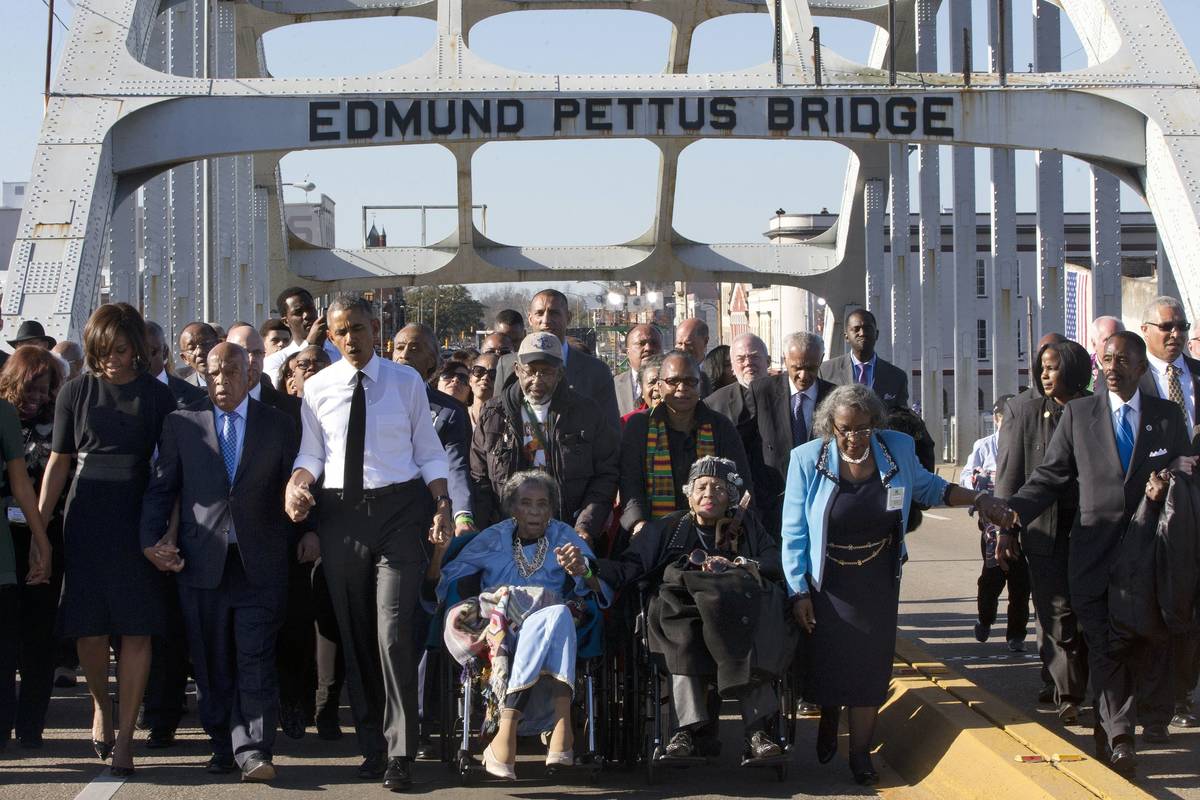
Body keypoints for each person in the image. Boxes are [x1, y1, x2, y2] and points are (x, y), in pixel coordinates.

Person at [781, 384, 1014, 785]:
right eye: (845, 430)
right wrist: (798, 590)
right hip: (827, 579)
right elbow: (794, 532)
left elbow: (931, 488)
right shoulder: (807, 459)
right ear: (830, 428)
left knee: (871, 667)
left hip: (876, 576)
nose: (854, 438)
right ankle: (829, 717)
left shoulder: (897, 449)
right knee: (831, 663)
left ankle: (859, 755)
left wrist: (978, 499)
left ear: (875, 423)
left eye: (863, 428)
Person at [1000, 331, 1195, 776]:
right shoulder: (1080, 414)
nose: (1112, 366)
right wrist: (1011, 511)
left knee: (1140, 644)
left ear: (1141, 368)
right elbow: (1049, 477)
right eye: (1106, 358)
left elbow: (1186, 471)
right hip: (1093, 553)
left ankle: (1115, 733)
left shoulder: (1166, 417)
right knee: (1105, 644)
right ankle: (1120, 735)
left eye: (1123, 359)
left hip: (1149, 557)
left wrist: (1170, 478)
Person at [285, 294, 452, 791]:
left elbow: (429, 451)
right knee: (356, 634)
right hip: (341, 517)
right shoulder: (316, 388)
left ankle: (402, 750)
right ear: (330, 336)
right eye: (342, 332)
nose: (351, 339)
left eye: (358, 328)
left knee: (393, 631)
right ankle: (373, 747)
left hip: (401, 512)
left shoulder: (405, 383)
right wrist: (296, 484)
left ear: (374, 328)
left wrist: (443, 504)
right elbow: (311, 454)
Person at [140, 343, 313, 781]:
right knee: (212, 659)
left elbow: (298, 478)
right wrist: (150, 540)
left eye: (230, 372)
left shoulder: (277, 425)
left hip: (261, 560)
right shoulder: (182, 423)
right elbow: (163, 488)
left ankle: (254, 749)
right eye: (213, 373)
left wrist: (310, 526)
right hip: (202, 562)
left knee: (254, 657)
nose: (221, 381)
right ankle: (222, 742)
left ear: (249, 373)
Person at [37, 303, 177, 776]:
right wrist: (40, 530)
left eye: (121, 349)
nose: (113, 359)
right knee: (90, 631)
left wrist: (167, 532)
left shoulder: (158, 398)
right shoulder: (74, 391)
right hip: (87, 514)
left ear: (138, 348)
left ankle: (127, 738)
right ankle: (101, 704)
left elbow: (172, 470)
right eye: (103, 350)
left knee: (138, 629)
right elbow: (58, 461)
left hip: (140, 516)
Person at [600, 456, 791, 762]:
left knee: (756, 629)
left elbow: (774, 562)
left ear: (731, 495)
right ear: (688, 494)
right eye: (701, 486)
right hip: (682, 612)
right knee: (680, 636)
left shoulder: (748, 527)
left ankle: (758, 731)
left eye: (718, 487)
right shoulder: (668, 527)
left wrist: (739, 562)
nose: (709, 493)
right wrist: (588, 567)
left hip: (737, 613)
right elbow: (631, 566)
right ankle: (684, 732)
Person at [432, 470, 610, 780]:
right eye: (526, 503)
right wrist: (439, 552)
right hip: (501, 625)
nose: (535, 511)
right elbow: (447, 581)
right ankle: (561, 730)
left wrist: (583, 570)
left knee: (555, 615)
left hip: (551, 625)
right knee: (551, 612)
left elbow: (598, 582)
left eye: (543, 504)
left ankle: (507, 731)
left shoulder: (565, 536)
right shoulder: (493, 537)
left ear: (552, 509)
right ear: (512, 508)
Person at [996, 338, 1091, 723]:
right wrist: (1004, 529)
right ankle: (1065, 690)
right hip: (1042, 526)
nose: (1045, 374)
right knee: (1054, 610)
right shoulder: (1026, 409)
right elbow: (1010, 474)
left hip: (1091, 526)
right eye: (1042, 367)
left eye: (1053, 367)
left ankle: (1072, 679)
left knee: (1086, 609)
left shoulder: (1095, 408)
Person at [471, 332, 619, 541]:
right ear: (517, 370)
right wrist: (488, 532)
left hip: (567, 534)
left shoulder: (587, 413)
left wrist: (585, 526)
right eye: (530, 371)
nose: (537, 380)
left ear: (560, 373)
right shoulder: (493, 414)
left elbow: (605, 475)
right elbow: (479, 478)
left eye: (546, 372)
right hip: (505, 535)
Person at [1135, 297, 1200, 732]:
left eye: (1182, 326)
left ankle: (1184, 691)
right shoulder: (1133, 383)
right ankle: (1162, 696)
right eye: (1166, 327)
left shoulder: (1197, 376)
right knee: (1165, 603)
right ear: (1147, 330)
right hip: (1159, 508)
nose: (1175, 334)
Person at [620, 351, 752, 536]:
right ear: (659, 385)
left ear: (700, 386)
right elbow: (630, 482)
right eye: (673, 381)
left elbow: (740, 482)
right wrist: (638, 524)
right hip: (651, 532)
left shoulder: (720, 426)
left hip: (713, 533)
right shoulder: (639, 426)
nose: (682, 388)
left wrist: (732, 527)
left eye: (690, 381)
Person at [0, 348, 58, 750]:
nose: (39, 395)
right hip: (6, 538)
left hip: (42, 532)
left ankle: (31, 725)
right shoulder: (5, 414)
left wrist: (44, 542)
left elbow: (34, 485)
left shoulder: (60, 423)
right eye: (32, 386)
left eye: (47, 388)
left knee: (38, 635)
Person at [747, 332, 836, 533]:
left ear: (821, 360)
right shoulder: (762, 391)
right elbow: (746, 444)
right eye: (797, 367)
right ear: (785, 360)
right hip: (773, 503)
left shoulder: (834, 397)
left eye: (811, 368)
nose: (804, 375)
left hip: (820, 502)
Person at [961, 396, 1030, 653]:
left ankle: (1016, 635)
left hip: (1022, 523)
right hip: (992, 527)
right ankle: (985, 618)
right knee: (992, 576)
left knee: (1021, 583)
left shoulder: (1027, 443)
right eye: (1007, 419)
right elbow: (967, 476)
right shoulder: (984, 446)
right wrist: (979, 482)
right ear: (998, 419)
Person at [393, 324, 475, 535]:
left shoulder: (450, 411)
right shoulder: (369, 399)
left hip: (425, 517)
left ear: (432, 361)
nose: (404, 355)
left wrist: (462, 515)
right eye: (399, 348)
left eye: (414, 349)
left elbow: (456, 466)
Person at [495, 291, 620, 430]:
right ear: (530, 319)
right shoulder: (505, 365)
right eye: (539, 313)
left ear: (568, 317)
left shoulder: (596, 371)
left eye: (554, 313)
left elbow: (610, 433)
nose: (546, 320)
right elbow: (495, 422)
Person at [819, 309, 909, 410]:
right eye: (856, 329)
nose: (862, 333)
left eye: (868, 328)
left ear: (877, 334)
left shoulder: (897, 376)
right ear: (846, 337)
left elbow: (902, 417)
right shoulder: (825, 371)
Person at [263, 287, 341, 388]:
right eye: (298, 312)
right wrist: (310, 345)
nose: (307, 315)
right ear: (286, 321)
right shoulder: (275, 361)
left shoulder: (339, 352)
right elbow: (279, 389)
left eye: (310, 309)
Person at [705, 333, 769, 428]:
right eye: (741, 359)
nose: (748, 363)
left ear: (768, 361)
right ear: (732, 367)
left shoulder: (788, 395)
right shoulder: (713, 405)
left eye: (754, 357)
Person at [615, 324, 663, 417]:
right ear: (627, 352)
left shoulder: (673, 383)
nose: (648, 348)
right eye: (641, 343)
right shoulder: (613, 386)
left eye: (654, 343)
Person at [675, 318, 712, 397]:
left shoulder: (716, 371)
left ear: (705, 341)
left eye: (688, 344)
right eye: (679, 343)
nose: (683, 349)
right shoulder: (668, 372)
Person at [1088, 315, 1124, 388]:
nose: (1115, 344)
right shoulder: (1084, 368)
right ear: (1094, 344)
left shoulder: (1134, 367)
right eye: (1108, 340)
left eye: (1120, 339)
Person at [467, 353, 497, 428]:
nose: (485, 377)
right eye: (479, 371)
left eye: (493, 374)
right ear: (470, 379)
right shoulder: (459, 416)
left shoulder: (507, 420)